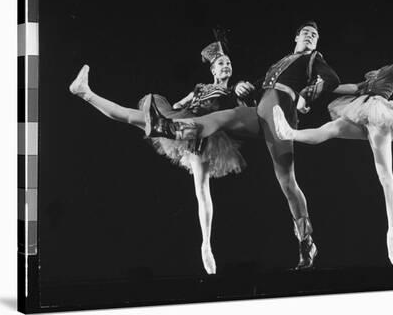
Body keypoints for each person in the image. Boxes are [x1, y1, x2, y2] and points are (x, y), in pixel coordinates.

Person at [141, 21, 340, 270]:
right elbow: (259, 87)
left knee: (287, 181)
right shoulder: (283, 61)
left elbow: (331, 79)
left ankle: (306, 241)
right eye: (306, 33)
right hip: (260, 110)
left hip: (280, 113)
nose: (310, 37)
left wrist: (305, 96)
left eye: (315, 35)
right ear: (296, 37)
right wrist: (241, 87)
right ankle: (169, 128)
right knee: (220, 119)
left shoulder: (313, 59)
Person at [68, 41, 254, 275]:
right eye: (220, 63)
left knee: (202, 190)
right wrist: (177, 109)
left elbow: (242, 108)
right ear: (213, 70)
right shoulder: (199, 88)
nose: (226, 66)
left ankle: (206, 243)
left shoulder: (232, 90)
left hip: (205, 137)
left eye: (228, 63)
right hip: (181, 126)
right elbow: (178, 104)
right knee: (129, 116)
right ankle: (85, 93)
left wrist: (242, 91)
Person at [272, 52, 393, 265]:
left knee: (384, 173)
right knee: (331, 128)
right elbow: (356, 88)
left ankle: (392, 232)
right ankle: (289, 133)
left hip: (379, 111)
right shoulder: (387, 70)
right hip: (361, 105)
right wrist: (327, 86)